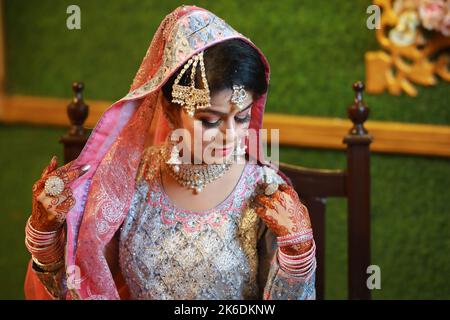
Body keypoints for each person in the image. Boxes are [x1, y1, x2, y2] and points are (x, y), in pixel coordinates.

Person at [24, 5, 316, 300]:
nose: (231, 134)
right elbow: (84, 287)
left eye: (241, 117)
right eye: (210, 120)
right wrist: (45, 236)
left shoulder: (264, 192)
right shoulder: (128, 180)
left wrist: (297, 253)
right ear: (171, 112)